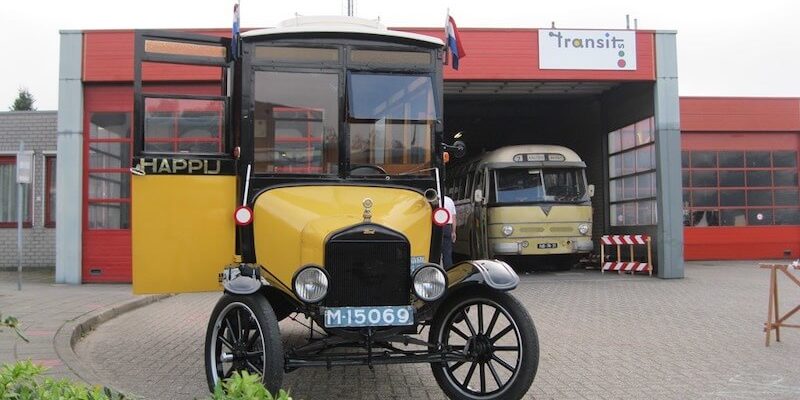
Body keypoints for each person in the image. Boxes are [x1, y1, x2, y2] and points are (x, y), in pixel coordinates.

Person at [442, 195, 457, 268]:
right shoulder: (449, 200)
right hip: (447, 227)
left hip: (435, 227)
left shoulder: (432, 199)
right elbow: (453, 218)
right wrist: (453, 232)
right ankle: (448, 271)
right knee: (447, 253)